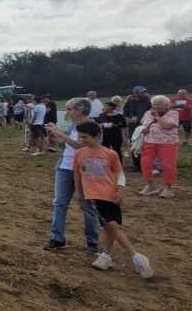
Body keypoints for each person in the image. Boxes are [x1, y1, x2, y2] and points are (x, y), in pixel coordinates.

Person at [71, 121, 154, 279]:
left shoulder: (110, 154)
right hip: (94, 195)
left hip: (110, 194)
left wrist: (120, 190)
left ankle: (131, 256)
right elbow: (77, 173)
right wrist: (79, 192)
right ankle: (116, 256)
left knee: (110, 226)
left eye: (85, 137)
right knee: (110, 225)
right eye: (80, 136)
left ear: (97, 136)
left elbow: (120, 173)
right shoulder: (79, 154)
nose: (82, 140)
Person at [42, 98, 100, 253]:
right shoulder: (74, 126)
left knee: (87, 205)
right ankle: (57, 238)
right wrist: (55, 139)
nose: (67, 112)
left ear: (80, 109)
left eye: (69, 109)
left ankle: (92, 241)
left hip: (83, 170)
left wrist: (59, 133)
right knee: (59, 203)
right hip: (64, 167)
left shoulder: (92, 126)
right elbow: (68, 147)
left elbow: (82, 147)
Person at [138, 96, 180, 198]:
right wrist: (144, 130)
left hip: (168, 143)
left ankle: (168, 188)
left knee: (168, 165)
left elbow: (166, 126)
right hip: (149, 142)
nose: (156, 106)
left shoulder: (173, 113)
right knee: (145, 163)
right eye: (154, 104)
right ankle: (150, 185)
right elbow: (144, 125)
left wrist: (157, 117)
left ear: (167, 105)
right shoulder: (148, 113)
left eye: (159, 104)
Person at [123, 86, 152, 151]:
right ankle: (136, 159)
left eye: (144, 92)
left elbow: (152, 112)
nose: (144, 93)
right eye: (141, 92)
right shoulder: (130, 101)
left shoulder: (148, 101)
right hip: (133, 126)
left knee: (145, 145)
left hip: (145, 126)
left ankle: (145, 159)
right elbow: (125, 113)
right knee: (134, 144)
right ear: (135, 93)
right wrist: (128, 119)